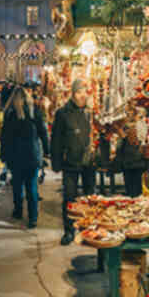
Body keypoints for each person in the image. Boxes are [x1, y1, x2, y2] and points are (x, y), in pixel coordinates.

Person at [50, 78, 95, 245]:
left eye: (84, 92)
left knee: (91, 196)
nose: (82, 95)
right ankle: (68, 230)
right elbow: (56, 139)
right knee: (70, 197)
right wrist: (56, 161)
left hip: (89, 162)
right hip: (71, 161)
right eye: (79, 92)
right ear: (73, 94)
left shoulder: (91, 112)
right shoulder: (63, 114)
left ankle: (89, 228)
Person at [0, 86, 49, 228]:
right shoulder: (35, 113)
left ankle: (18, 210)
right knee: (32, 186)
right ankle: (33, 217)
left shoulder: (10, 115)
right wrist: (46, 150)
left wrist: (4, 155)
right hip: (32, 155)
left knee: (17, 184)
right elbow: (43, 133)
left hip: (15, 156)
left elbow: (5, 137)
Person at [117, 122, 149, 197]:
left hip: (139, 169)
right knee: (130, 191)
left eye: (134, 130)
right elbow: (119, 153)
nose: (132, 132)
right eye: (130, 131)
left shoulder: (142, 141)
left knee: (139, 192)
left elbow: (148, 156)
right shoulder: (124, 141)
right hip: (128, 169)